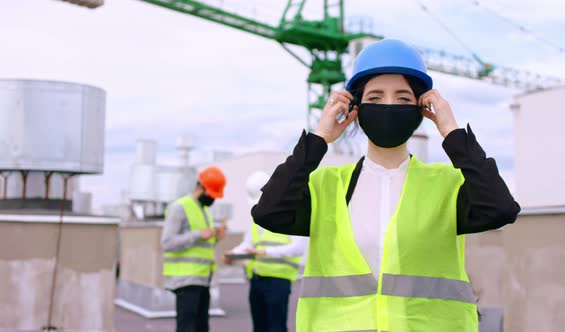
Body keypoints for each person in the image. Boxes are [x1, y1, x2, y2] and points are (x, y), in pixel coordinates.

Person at [251, 39, 521, 332]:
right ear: (356, 107)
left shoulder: (447, 185)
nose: (389, 106)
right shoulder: (325, 185)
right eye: (376, 98)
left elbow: (501, 209)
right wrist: (319, 138)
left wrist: (451, 131)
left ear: (422, 108)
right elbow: (269, 212)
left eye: (403, 98)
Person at [224, 171, 307, 332]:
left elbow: (298, 248)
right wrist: (233, 254)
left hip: (278, 281)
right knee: (259, 328)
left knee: (276, 327)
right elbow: (248, 243)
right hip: (256, 280)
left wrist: (265, 252)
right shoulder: (258, 218)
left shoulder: (292, 213)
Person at [161, 166, 227, 332]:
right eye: (211, 194)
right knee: (187, 328)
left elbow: (201, 246)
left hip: (203, 278)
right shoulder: (179, 207)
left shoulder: (203, 210)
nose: (213, 199)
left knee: (201, 327)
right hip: (185, 279)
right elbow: (167, 242)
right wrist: (198, 234)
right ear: (201, 187)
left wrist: (215, 238)